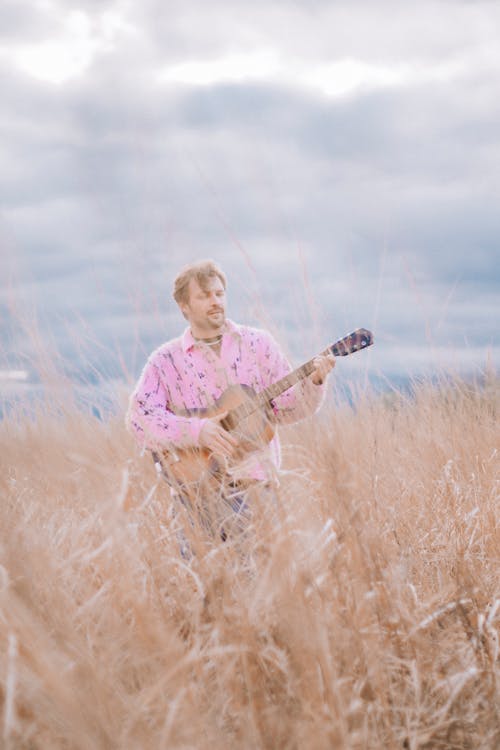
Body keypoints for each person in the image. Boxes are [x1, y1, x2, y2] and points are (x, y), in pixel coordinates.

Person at [126, 260, 335, 541]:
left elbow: (289, 409)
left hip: (257, 493)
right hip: (195, 498)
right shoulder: (165, 360)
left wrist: (315, 382)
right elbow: (140, 420)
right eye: (204, 296)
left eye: (219, 293)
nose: (215, 301)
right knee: (209, 584)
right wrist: (198, 432)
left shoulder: (258, 344)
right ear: (184, 306)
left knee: (264, 582)